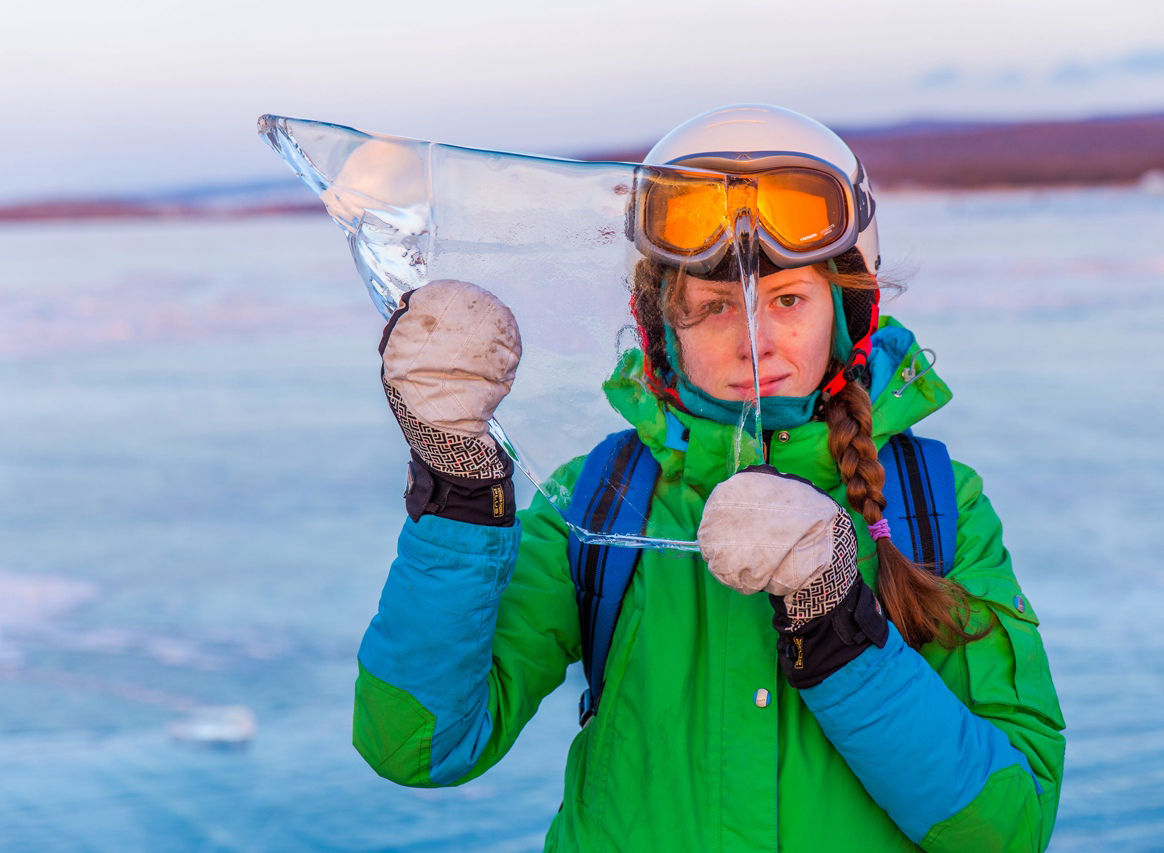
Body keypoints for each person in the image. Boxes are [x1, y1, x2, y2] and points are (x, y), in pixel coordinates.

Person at [352, 104, 1066, 851]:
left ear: (849, 309)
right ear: (660, 325)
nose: (755, 340)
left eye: (788, 299)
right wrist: (459, 480)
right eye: (714, 307)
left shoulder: (933, 503)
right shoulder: (602, 500)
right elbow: (420, 744)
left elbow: (1009, 826)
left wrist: (838, 626)